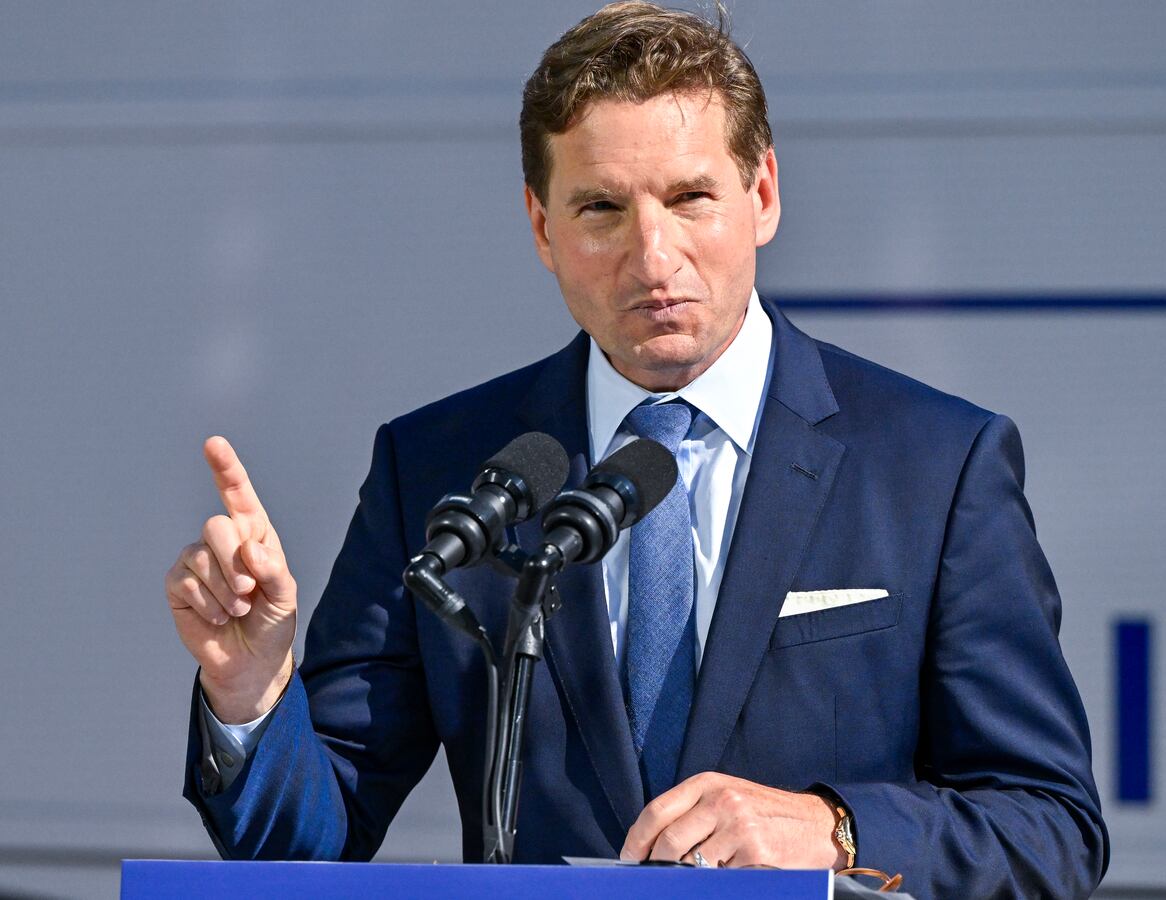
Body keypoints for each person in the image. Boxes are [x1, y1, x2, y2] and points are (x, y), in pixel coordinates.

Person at [164, 3, 1107, 897]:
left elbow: (1049, 827)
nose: (653, 258)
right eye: (602, 211)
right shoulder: (441, 471)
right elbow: (308, 845)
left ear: (763, 194)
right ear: (542, 226)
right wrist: (250, 693)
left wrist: (835, 829)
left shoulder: (935, 465)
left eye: (691, 197)